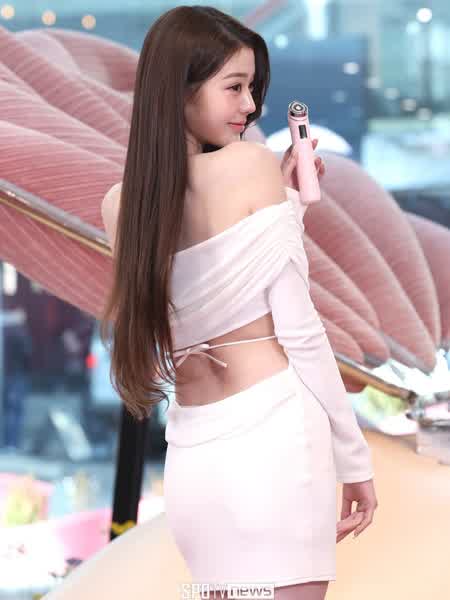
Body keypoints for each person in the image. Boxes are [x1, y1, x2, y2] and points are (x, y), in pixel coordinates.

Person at [100, 6, 378, 599]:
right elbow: (299, 330)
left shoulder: (120, 205)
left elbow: (194, 305)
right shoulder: (250, 165)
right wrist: (354, 461)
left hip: (193, 455)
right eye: (234, 87)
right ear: (181, 87)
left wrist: (285, 205)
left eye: (252, 88)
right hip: (275, 435)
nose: (250, 106)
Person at [2, 307, 32, 451]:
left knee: (9, 410)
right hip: (16, 375)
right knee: (14, 410)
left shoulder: (5, 334)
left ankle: (8, 442)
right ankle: (12, 443)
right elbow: (27, 354)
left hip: (8, 374)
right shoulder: (19, 334)